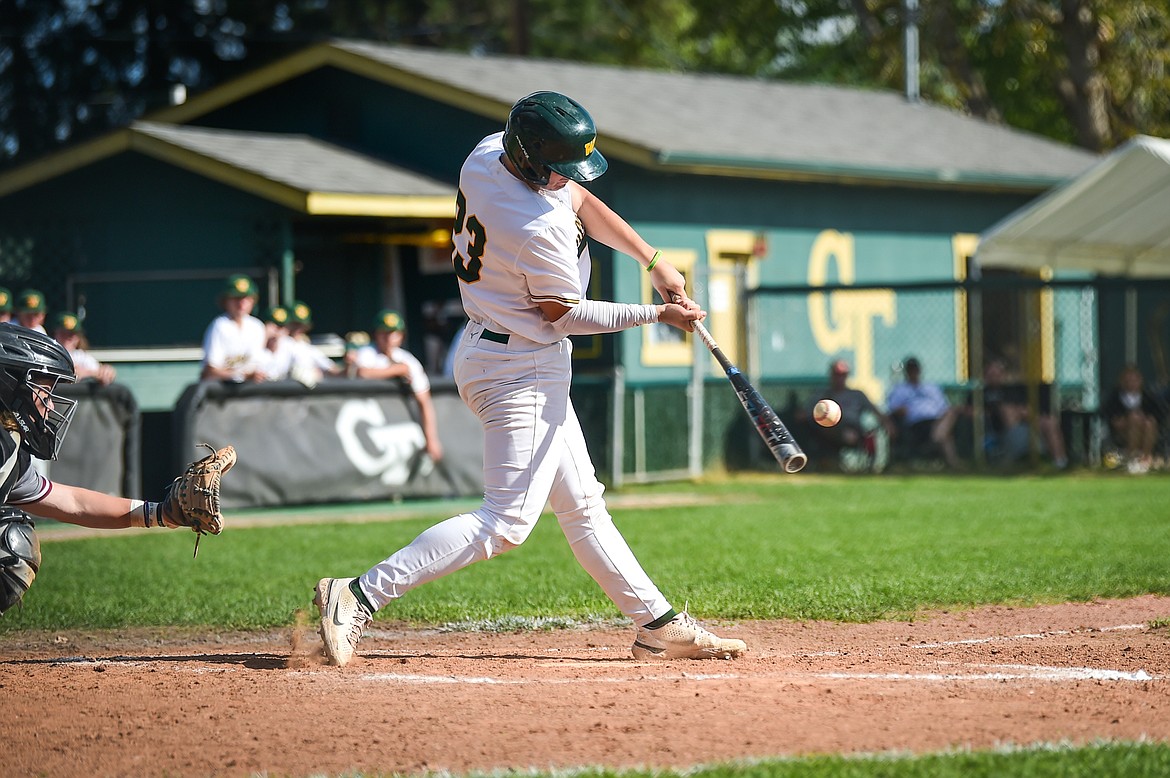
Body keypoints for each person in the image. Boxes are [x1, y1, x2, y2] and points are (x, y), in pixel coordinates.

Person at [313, 90, 745, 667]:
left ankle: (657, 625)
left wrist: (652, 261)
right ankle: (358, 594)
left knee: (584, 508)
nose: (564, 179)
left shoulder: (487, 153)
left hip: (499, 348)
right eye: (556, 168)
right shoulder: (534, 226)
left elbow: (580, 198)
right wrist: (656, 314)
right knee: (508, 522)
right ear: (530, 156)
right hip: (521, 367)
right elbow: (565, 315)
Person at [0, 325, 217, 616]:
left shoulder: (9, 448)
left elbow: (72, 503)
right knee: (11, 542)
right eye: (43, 393)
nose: (50, 406)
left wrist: (160, 513)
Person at [345, 309, 443, 464]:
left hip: (398, 425)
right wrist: (397, 369)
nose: (389, 338)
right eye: (384, 333)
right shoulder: (367, 352)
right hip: (365, 423)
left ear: (401, 336)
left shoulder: (408, 360)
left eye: (393, 333)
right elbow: (362, 372)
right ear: (376, 334)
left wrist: (431, 439)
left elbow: (424, 400)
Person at [974, 357, 1068, 469]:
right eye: (991, 373)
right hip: (1000, 427)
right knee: (1007, 410)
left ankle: (1060, 462)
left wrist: (1021, 412)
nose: (995, 375)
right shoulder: (980, 393)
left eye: (997, 372)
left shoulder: (1011, 390)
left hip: (1026, 422)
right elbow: (972, 409)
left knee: (1050, 422)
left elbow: (1026, 408)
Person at [805, 359, 896, 471]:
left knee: (871, 433)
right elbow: (805, 413)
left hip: (855, 429)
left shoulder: (856, 394)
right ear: (831, 375)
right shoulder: (822, 395)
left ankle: (872, 468)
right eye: (837, 375)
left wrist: (888, 424)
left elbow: (875, 411)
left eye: (843, 375)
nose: (840, 378)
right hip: (828, 431)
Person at [886, 356, 960, 469]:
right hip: (916, 424)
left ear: (919, 370)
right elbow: (893, 409)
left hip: (936, 420)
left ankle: (937, 437)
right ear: (906, 372)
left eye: (915, 369)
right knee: (945, 436)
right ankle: (940, 441)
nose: (913, 372)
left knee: (951, 412)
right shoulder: (900, 389)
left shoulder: (931, 387)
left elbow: (944, 407)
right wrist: (901, 410)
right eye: (910, 369)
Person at [200, 274, 267, 383]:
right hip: (219, 392)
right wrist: (241, 375)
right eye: (236, 298)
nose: (242, 304)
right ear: (226, 301)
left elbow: (256, 366)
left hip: (249, 391)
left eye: (246, 299)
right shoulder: (220, 325)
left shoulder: (257, 326)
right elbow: (211, 371)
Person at [1101, 364, 1165, 474]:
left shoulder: (1147, 396)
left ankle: (1145, 458)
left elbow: (1157, 415)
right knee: (1134, 418)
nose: (1131, 383)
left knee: (1149, 423)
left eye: (1134, 380)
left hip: (1145, 430)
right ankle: (1132, 457)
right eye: (1128, 380)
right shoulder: (1115, 397)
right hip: (1123, 432)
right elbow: (1109, 415)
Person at [50, 312, 116, 386]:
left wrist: (105, 371)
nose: (67, 338)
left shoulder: (81, 357)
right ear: (55, 334)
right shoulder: (49, 354)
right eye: (63, 333)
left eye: (71, 334)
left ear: (78, 338)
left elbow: (103, 374)